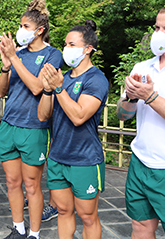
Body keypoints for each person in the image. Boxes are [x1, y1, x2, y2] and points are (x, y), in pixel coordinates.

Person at [116, 3, 165, 239]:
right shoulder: (142, 67)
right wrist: (129, 97)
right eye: (157, 27)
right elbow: (123, 115)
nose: (159, 34)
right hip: (141, 163)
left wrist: (150, 97)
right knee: (140, 227)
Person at [0, 0, 63, 239]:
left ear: (40, 30)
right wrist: (6, 66)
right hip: (9, 125)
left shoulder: (53, 55)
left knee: (32, 185)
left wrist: (14, 58)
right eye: (21, 25)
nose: (20, 30)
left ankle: (34, 233)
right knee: (12, 183)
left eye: (25, 26)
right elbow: (1, 92)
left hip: (33, 128)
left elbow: (38, 88)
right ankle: (19, 228)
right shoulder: (18, 55)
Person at [38, 20, 108, 239]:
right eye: (65, 44)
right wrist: (48, 90)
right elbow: (42, 115)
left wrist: (58, 88)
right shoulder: (64, 77)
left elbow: (79, 116)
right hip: (58, 157)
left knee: (88, 217)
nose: (66, 49)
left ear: (88, 49)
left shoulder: (96, 79)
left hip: (85, 159)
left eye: (71, 44)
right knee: (64, 211)